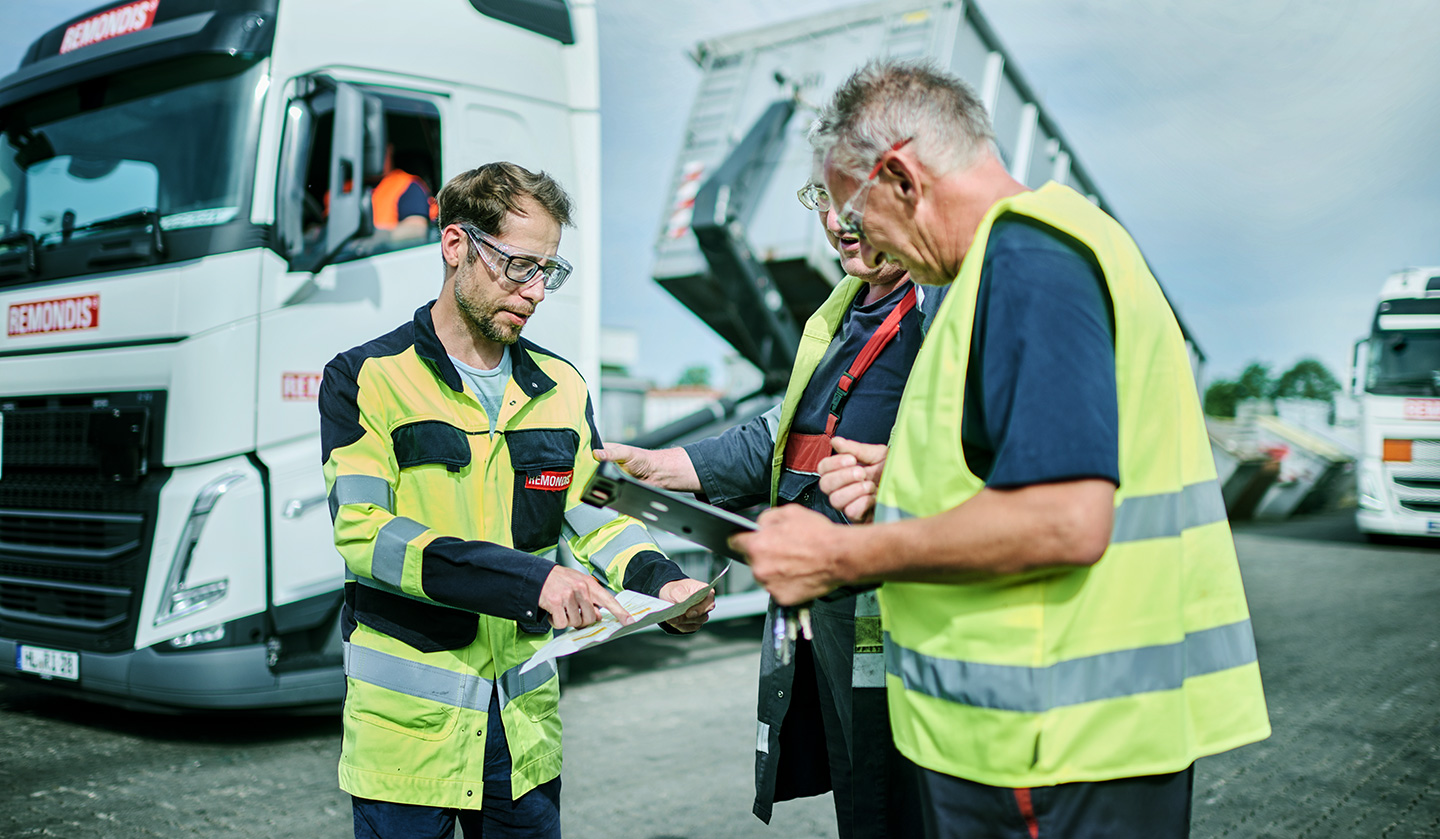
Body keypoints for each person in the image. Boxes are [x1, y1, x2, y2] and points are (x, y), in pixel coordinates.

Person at [731, 60, 1271, 839]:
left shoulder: (1026, 263)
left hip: (1048, 748)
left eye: (853, 208)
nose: (854, 234)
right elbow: (1028, 463)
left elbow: (1065, 521)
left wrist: (842, 556)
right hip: (1056, 743)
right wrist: (910, 477)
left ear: (901, 178)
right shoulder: (1023, 256)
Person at [319, 161, 714, 839]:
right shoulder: (366, 378)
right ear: (455, 245)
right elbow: (366, 535)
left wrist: (662, 581)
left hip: (521, 732)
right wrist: (532, 579)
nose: (534, 290)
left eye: (548, 272)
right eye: (518, 265)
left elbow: (595, 517)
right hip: (409, 739)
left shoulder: (560, 388)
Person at [596, 142, 933, 839]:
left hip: (899, 606)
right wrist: (659, 467)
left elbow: (978, 442)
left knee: (912, 797)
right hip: (834, 607)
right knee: (865, 796)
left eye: (855, 203)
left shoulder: (943, 309)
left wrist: (898, 471)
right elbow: (780, 437)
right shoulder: (842, 310)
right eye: (823, 202)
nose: (840, 222)